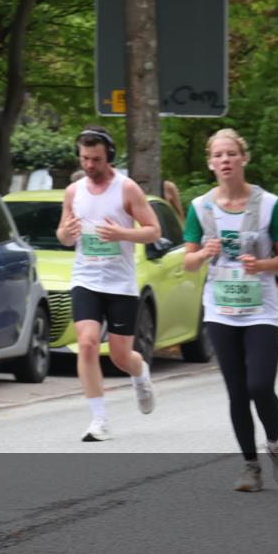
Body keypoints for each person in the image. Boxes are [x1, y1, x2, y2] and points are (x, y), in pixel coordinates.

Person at [182, 128, 278, 492]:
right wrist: (204, 253)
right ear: (210, 163)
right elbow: (187, 262)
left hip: (260, 308)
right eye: (218, 155)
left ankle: (275, 444)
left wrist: (261, 266)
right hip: (220, 308)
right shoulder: (200, 207)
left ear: (243, 159)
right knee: (236, 391)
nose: (225, 160)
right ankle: (250, 465)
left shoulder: (268, 205)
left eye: (231, 153)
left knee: (260, 385)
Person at [55, 126, 161, 441]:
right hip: (85, 279)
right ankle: (98, 420)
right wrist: (68, 233)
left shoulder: (127, 189)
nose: (89, 165)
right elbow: (62, 235)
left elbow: (154, 230)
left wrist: (123, 234)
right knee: (86, 343)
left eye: (96, 159)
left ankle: (139, 373)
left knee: (119, 356)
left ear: (109, 157)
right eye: (85, 158)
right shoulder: (74, 192)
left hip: (120, 284)